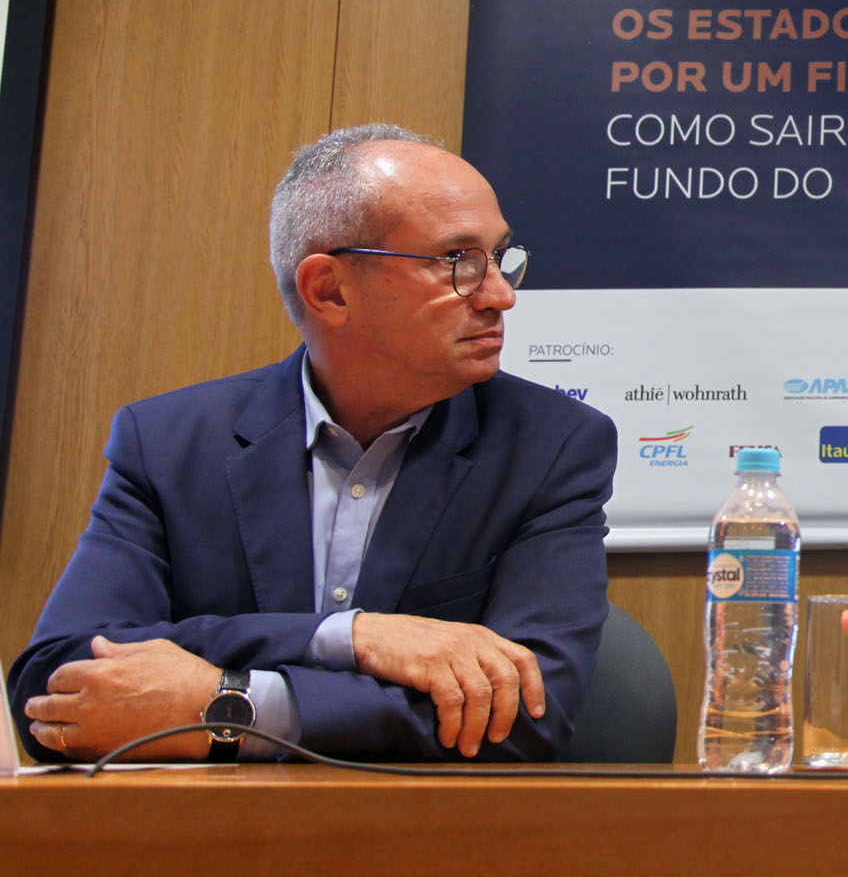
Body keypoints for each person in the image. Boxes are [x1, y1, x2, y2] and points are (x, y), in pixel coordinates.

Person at [9, 125, 616, 764]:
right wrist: (352, 637)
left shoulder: (551, 446)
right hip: (197, 822)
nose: (500, 295)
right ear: (329, 290)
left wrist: (230, 705)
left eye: (500, 257)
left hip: (420, 823)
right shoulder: (167, 444)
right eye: (456, 261)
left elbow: (528, 713)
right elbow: (56, 686)